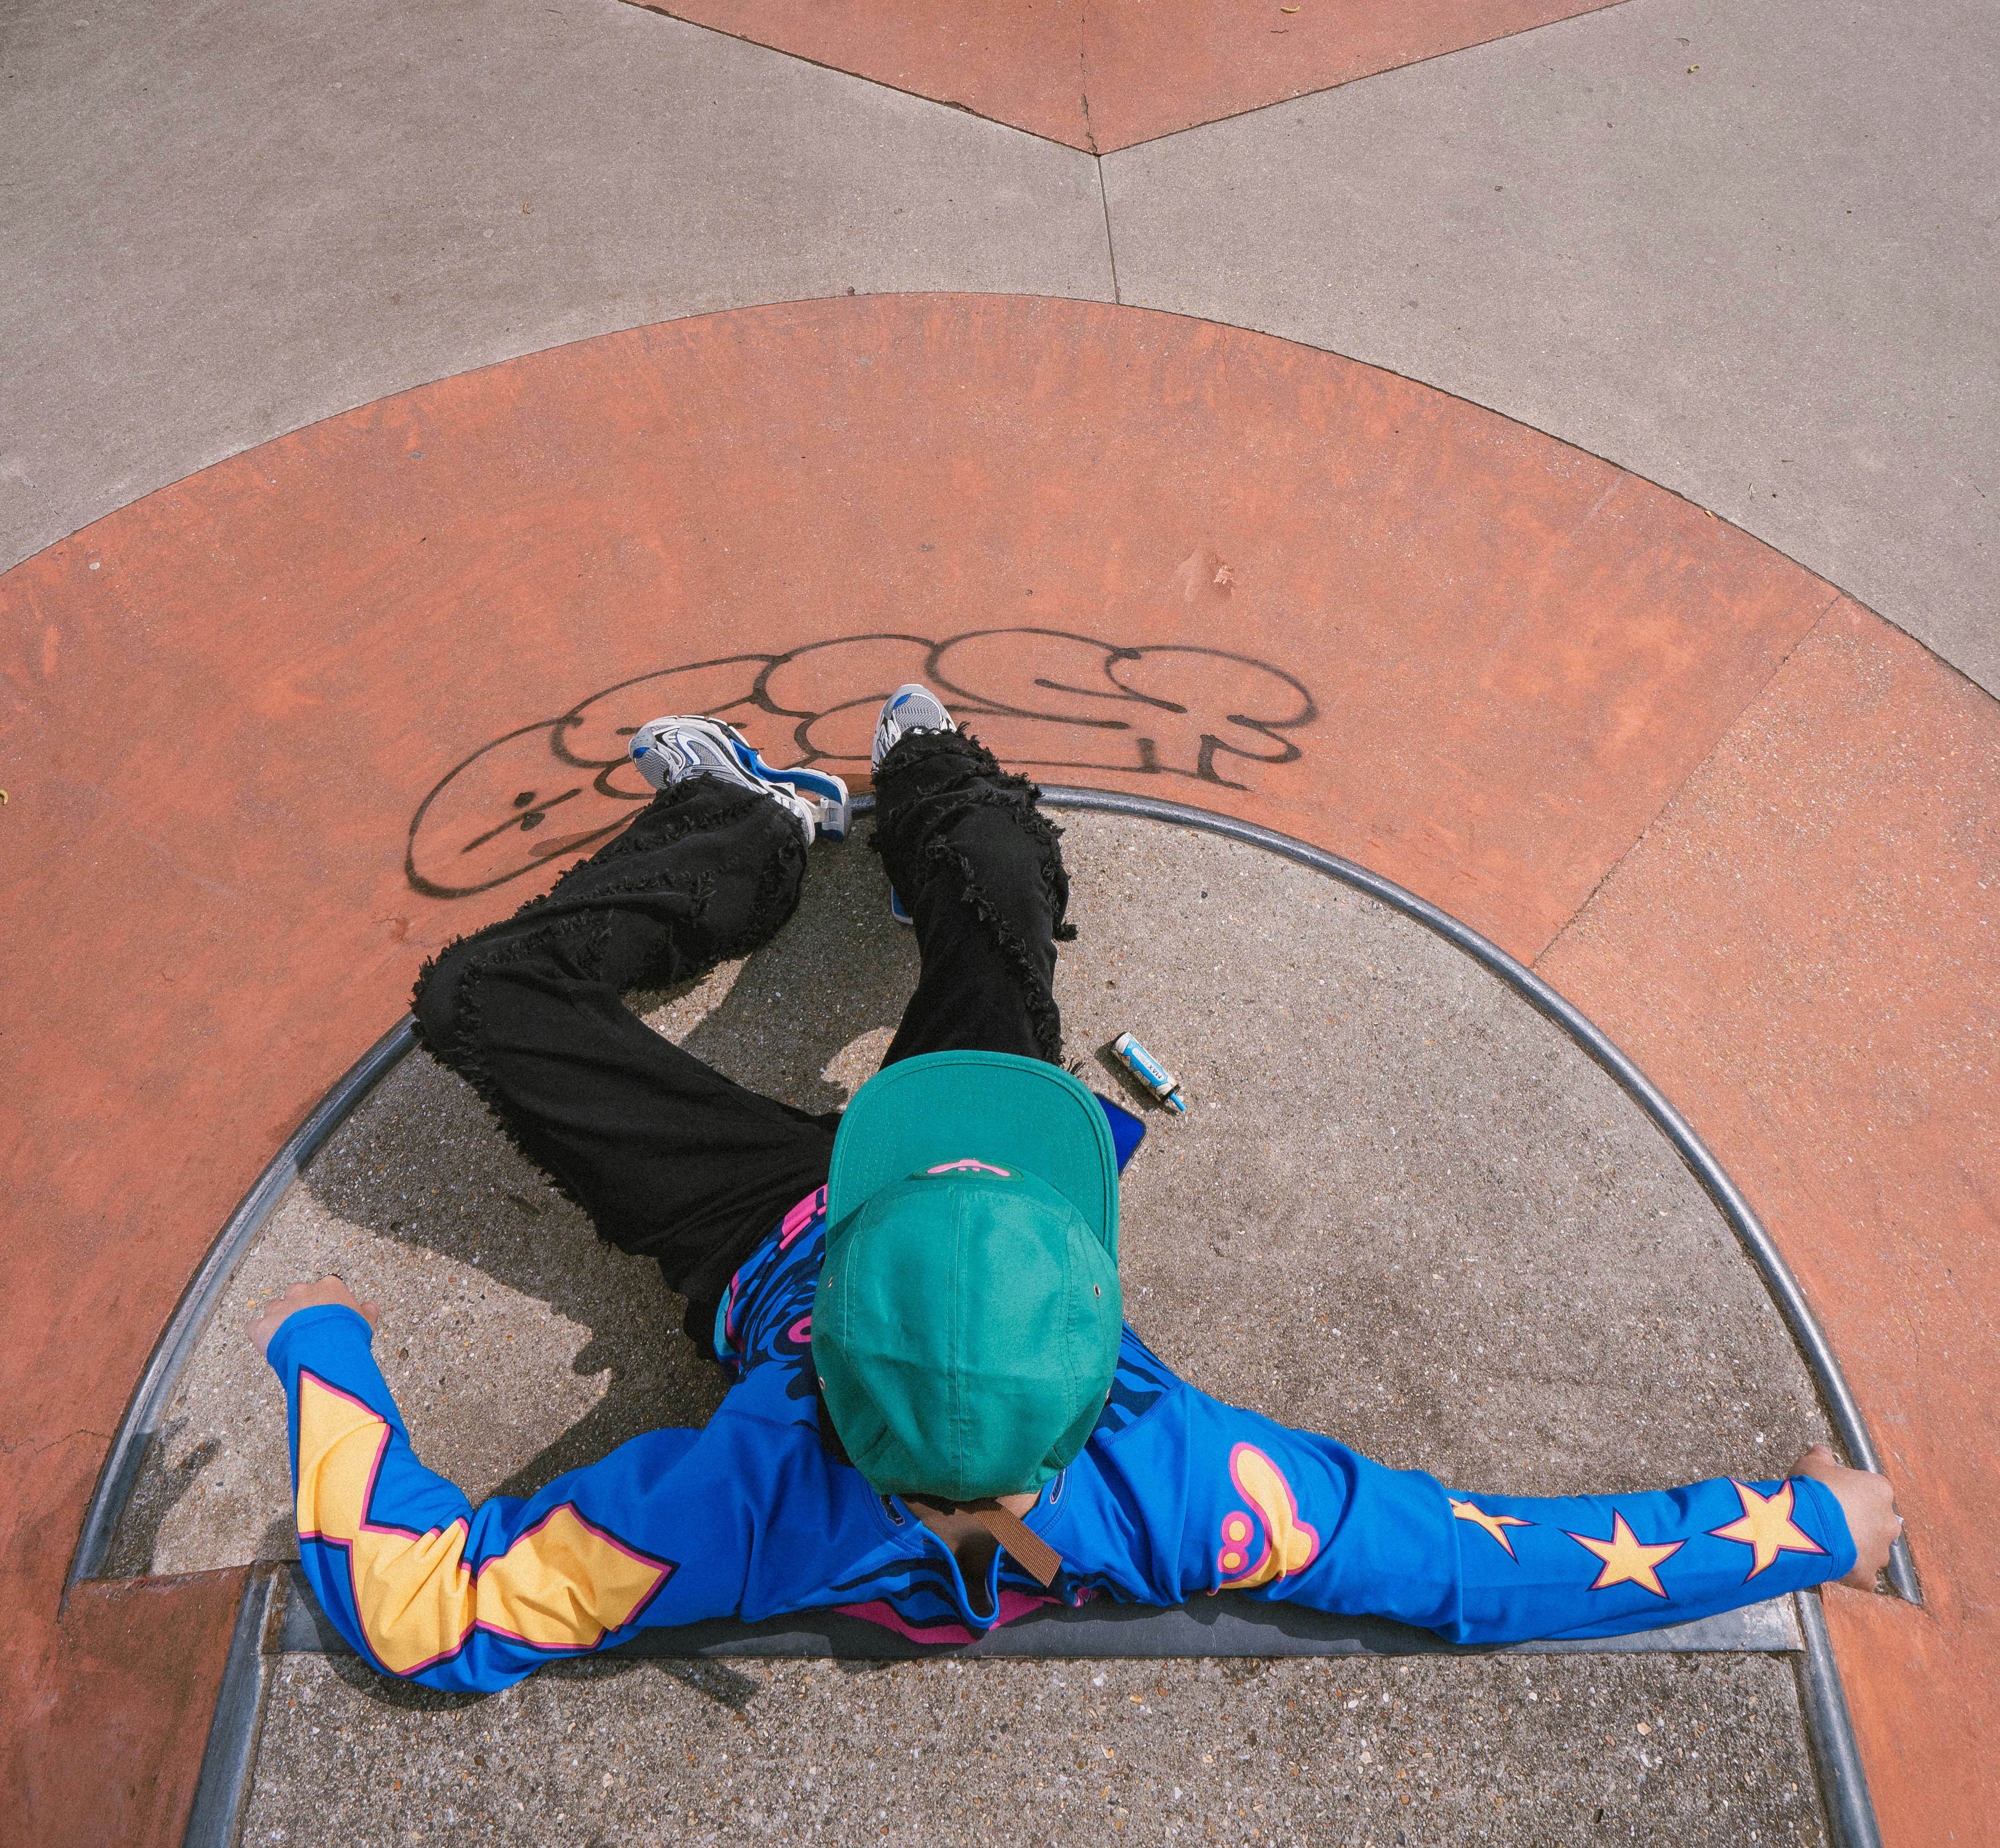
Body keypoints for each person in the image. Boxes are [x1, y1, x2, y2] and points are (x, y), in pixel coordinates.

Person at [250, 690, 1900, 1696]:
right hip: (868, 1262)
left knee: (481, 1000)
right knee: (987, 913)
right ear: (1093, 1338)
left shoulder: (743, 1502)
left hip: (764, 1237)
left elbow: (426, 1604)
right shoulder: (1190, 1489)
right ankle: (938, 782)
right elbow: (1493, 1567)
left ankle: (739, 832)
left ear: (826, 1363)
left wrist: (331, 1369)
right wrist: (1810, 1525)